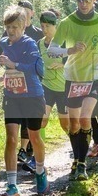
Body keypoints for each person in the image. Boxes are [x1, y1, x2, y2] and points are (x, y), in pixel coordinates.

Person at [50, 0, 98, 179]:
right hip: (73, 77)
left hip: (95, 76)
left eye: (87, 0)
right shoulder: (67, 22)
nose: (83, 4)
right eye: (80, 0)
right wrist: (69, 50)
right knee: (74, 124)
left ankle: (82, 164)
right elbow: (52, 49)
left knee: (85, 117)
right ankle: (77, 160)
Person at [0, 5, 47, 196]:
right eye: (8, 27)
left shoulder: (30, 44)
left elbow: (33, 68)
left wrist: (13, 65)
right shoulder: (3, 43)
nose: (11, 32)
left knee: (34, 137)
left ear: (23, 27)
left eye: (15, 28)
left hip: (32, 96)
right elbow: (7, 70)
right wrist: (0, 77)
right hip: (12, 97)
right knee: (10, 138)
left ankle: (41, 172)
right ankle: (12, 186)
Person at [37, 10, 70, 147]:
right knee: (42, 120)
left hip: (64, 88)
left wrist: (62, 64)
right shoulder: (39, 44)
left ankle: (78, 146)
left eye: (48, 26)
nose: (45, 30)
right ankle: (38, 152)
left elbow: (77, 60)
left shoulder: (65, 41)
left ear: (55, 25)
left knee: (66, 124)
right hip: (47, 86)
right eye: (42, 26)